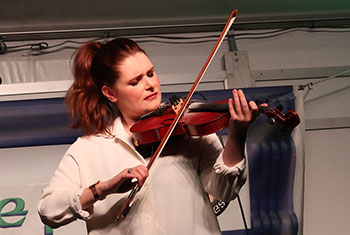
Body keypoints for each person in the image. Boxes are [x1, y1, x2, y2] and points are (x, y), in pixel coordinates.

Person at [38, 38, 260, 235]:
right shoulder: (87, 150)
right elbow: (49, 211)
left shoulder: (190, 130)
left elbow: (225, 190)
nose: (150, 85)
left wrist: (236, 136)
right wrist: (102, 189)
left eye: (151, 73)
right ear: (110, 93)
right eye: (135, 82)